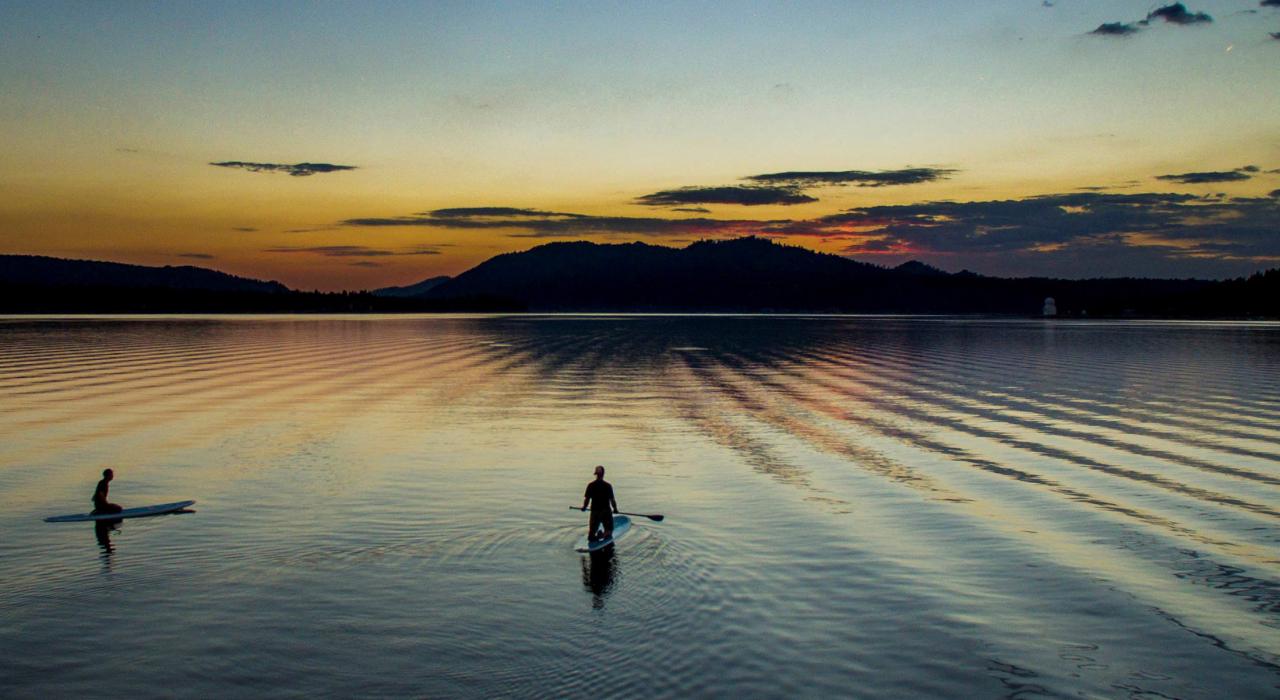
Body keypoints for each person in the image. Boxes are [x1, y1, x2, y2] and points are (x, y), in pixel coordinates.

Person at [580, 465, 618, 543]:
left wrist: (584, 507)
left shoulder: (591, 485)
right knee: (609, 530)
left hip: (595, 512)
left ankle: (595, 536)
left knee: (591, 533)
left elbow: (587, 499)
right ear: (603, 474)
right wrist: (615, 509)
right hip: (606, 511)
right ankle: (603, 535)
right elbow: (612, 500)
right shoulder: (608, 486)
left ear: (596, 474)